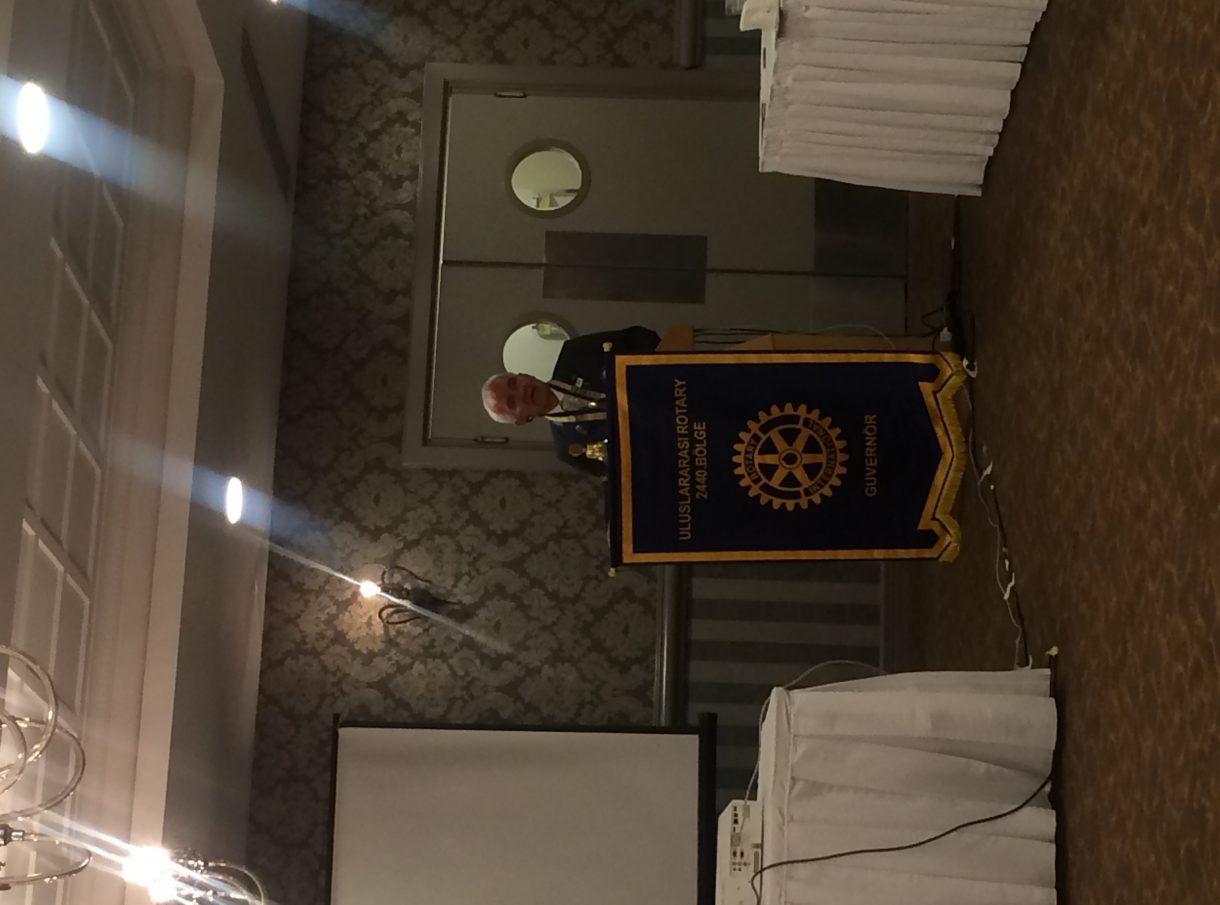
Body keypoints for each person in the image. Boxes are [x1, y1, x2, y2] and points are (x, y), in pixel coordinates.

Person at [481, 326, 660, 475]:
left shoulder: (574, 352)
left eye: (514, 383)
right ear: (520, 421)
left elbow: (641, 337)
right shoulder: (570, 449)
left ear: (524, 374)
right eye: (512, 402)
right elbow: (629, 478)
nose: (522, 392)